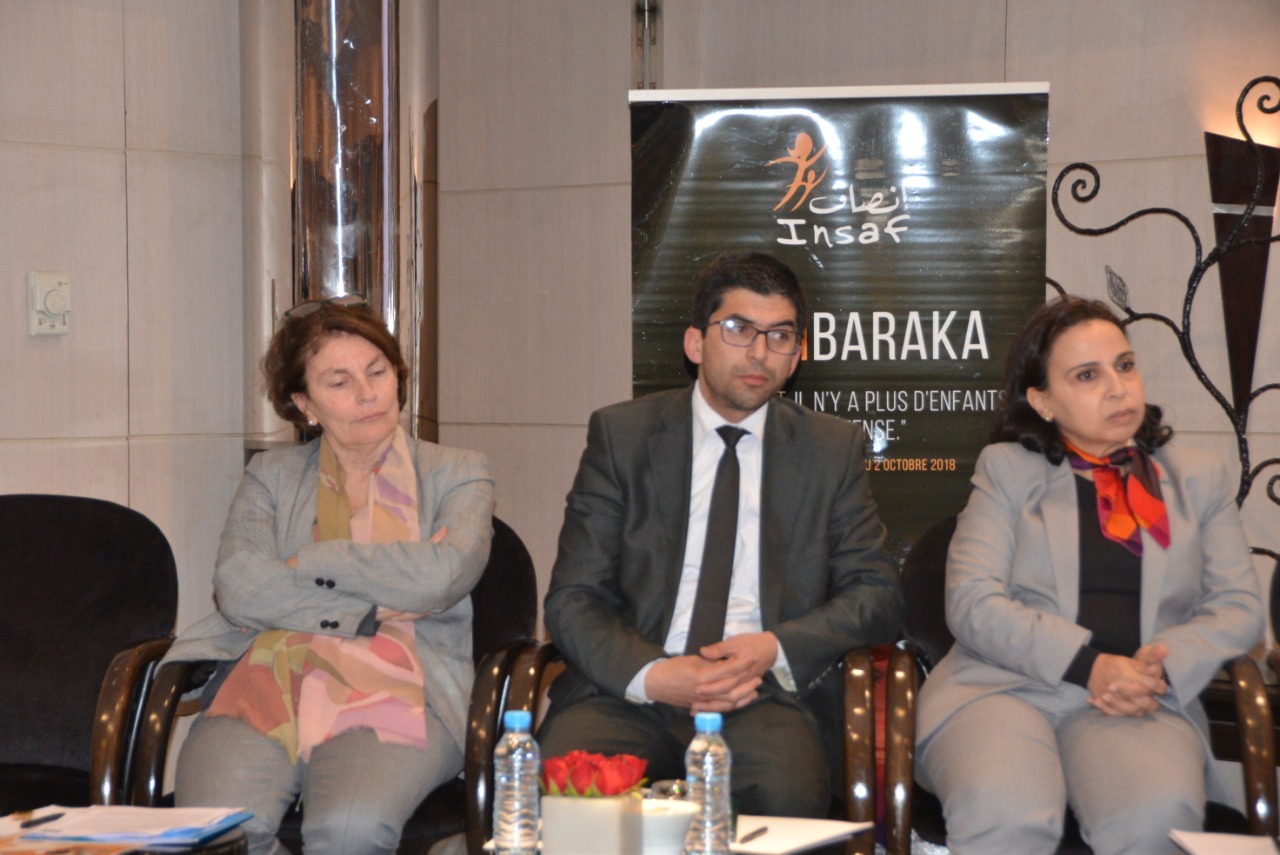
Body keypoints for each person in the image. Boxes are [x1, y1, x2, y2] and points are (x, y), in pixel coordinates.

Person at [539, 250, 904, 817]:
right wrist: (655, 674)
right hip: (630, 688)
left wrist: (772, 647)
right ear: (695, 343)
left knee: (788, 795)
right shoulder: (623, 436)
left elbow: (876, 595)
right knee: (564, 795)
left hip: (762, 694)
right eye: (738, 329)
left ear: (796, 356)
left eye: (780, 335)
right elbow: (573, 597)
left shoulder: (830, 450)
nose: (759, 352)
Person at [915, 295, 1264, 855]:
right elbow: (973, 602)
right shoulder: (1007, 471)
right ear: (1042, 400)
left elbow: (1238, 607)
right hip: (1002, 689)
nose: (1117, 388)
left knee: (1155, 817)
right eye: (1087, 375)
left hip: (1138, 697)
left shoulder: (1197, 478)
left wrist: (1157, 670)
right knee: (1007, 811)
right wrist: (1088, 665)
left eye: (1124, 365)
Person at [164, 299, 495, 855]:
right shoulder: (270, 475)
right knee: (213, 832)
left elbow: (442, 576)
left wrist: (310, 562)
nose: (367, 394)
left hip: (403, 686)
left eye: (378, 372)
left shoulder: (458, 472)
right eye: (339, 382)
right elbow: (240, 587)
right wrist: (368, 609)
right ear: (304, 403)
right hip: (268, 677)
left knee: (347, 830)